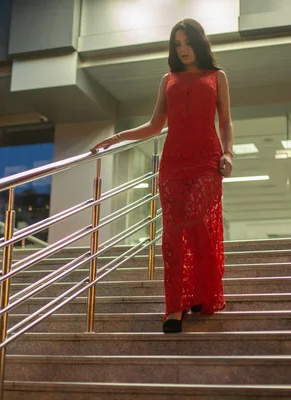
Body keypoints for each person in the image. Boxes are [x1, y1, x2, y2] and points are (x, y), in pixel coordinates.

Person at [91, 18, 233, 333]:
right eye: (177, 44)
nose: (182, 49)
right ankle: (175, 307)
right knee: (171, 235)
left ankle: (200, 290)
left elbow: (224, 121)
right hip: (172, 166)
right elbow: (155, 125)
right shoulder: (167, 79)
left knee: (196, 220)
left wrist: (229, 153)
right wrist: (117, 138)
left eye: (187, 42)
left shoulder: (216, 77)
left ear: (199, 43)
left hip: (207, 161)